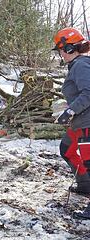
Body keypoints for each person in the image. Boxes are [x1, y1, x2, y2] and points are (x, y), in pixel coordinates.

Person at [53, 28, 90, 195]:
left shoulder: (81, 65)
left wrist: (70, 111)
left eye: (61, 49)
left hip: (87, 122)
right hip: (79, 121)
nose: (61, 54)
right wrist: (67, 108)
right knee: (66, 150)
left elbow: (88, 92)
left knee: (89, 162)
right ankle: (85, 185)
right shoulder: (77, 65)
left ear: (69, 48)